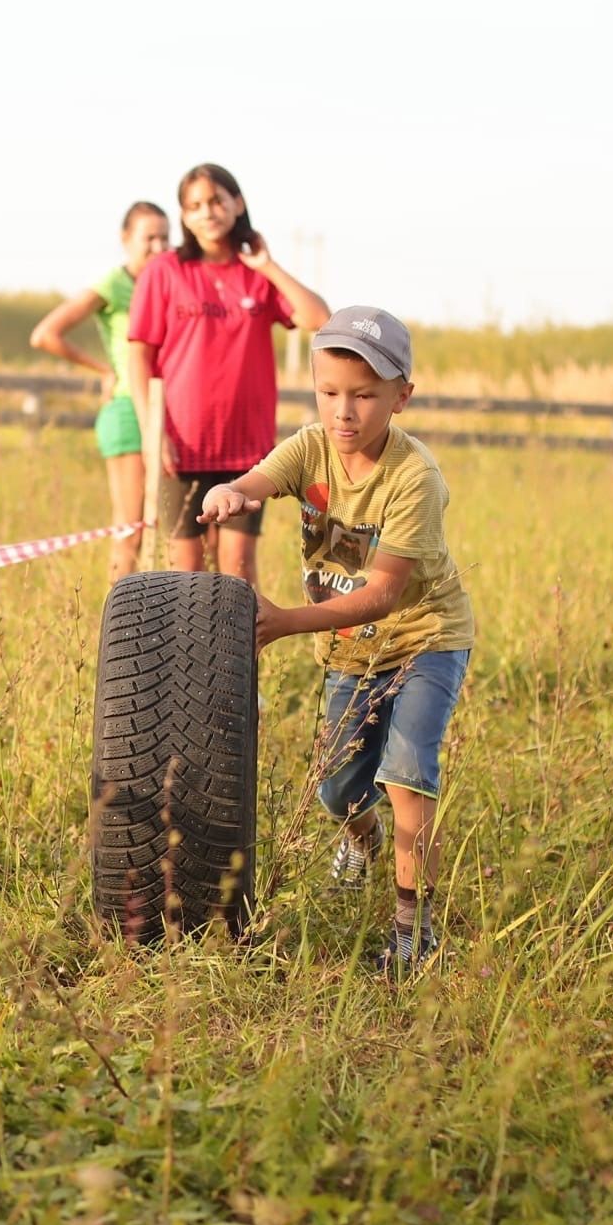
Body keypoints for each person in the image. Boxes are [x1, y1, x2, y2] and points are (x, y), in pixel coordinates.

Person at [200, 307, 474, 972]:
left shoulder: (414, 480)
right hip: (351, 653)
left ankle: (413, 930)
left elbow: (382, 595)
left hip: (422, 639)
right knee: (338, 793)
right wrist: (231, 493)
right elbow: (258, 480)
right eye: (329, 393)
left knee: (407, 774)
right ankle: (363, 840)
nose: (343, 411)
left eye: (364, 395)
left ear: (400, 396)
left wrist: (284, 621)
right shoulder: (309, 447)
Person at [127, 163, 331, 584]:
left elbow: (319, 317)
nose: (208, 212)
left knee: (238, 569)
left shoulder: (256, 276)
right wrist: (153, 430)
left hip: (245, 448)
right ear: (184, 216)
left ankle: (240, 651)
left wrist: (268, 266)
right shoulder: (165, 271)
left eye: (217, 200)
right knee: (186, 574)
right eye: (195, 205)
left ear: (237, 203)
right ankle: (188, 653)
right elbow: (138, 359)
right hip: (181, 446)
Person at [30, 201, 173, 579]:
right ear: (126, 239)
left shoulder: (170, 281)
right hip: (128, 410)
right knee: (130, 530)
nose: (159, 247)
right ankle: (117, 629)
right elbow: (45, 335)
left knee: (164, 530)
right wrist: (103, 369)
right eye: (150, 238)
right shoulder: (114, 284)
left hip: (165, 413)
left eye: (165, 238)